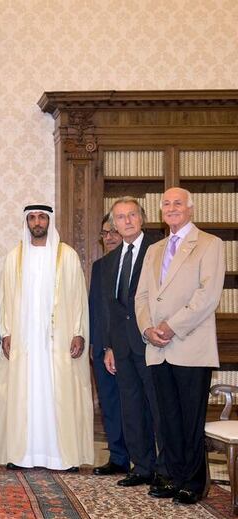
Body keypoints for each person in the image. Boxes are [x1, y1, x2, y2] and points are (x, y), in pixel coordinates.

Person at [135, 187, 225, 504]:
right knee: (167, 419)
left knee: (190, 420)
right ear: (161, 211)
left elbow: (208, 296)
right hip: (157, 347)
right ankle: (173, 476)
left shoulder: (210, 244)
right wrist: (147, 327)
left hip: (190, 345)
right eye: (166, 204)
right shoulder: (154, 249)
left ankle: (193, 482)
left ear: (190, 209)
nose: (172, 208)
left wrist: (170, 326)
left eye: (178, 203)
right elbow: (143, 296)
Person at [0, 204, 93, 471]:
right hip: (25, 344)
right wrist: (6, 332)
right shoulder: (14, 257)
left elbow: (79, 298)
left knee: (57, 394)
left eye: (42, 217)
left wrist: (78, 332)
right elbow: (4, 299)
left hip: (56, 342)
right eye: (32, 217)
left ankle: (62, 457)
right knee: (25, 394)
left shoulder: (68, 256)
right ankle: (22, 455)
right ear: (26, 222)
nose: (37, 222)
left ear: (49, 220)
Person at [102, 198, 169, 490]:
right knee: (131, 408)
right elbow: (112, 308)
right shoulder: (111, 260)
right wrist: (109, 346)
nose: (126, 221)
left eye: (131, 215)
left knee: (158, 408)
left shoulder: (159, 250)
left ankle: (165, 471)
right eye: (120, 217)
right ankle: (142, 467)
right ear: (113, 224)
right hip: (123, 347)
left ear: (141, 219)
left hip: (151, 343)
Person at [89, 214, 129, 477]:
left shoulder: (140, 262)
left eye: (116, 231)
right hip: (103, 349)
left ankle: (147, 462)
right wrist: (95, 344)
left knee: (137, 406)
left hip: (131, 348)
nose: (112, 236)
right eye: (107, 232)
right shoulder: (100, 266)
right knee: (110, 404)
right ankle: (118, 458)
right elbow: (95, 308)